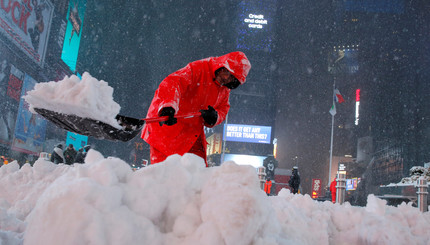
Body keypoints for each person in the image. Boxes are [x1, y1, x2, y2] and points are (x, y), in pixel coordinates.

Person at [141, 51, 251, 166]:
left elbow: (223, 109)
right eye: (227, 73)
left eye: (232, 79)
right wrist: (168, 106)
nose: (226, 79)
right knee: (166, 176)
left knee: (198, 174)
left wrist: (215, 117)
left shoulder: (224, 89)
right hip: (166, 130)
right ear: (222, 66)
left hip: (191, 134)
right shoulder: (199, 68)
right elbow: (173, 82)